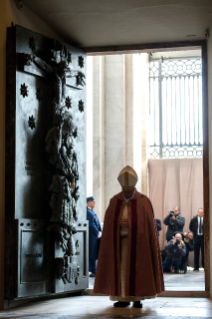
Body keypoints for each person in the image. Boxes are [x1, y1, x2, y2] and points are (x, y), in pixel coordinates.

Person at [93, 165, 164, 308]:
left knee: (139, 269)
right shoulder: (114, 201)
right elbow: (107, 226)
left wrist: (131, 225)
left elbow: (147, 227)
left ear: (133, 188)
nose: (126, 193)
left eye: (129, 191)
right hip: (119, 245)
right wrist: (118, 224)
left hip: (139, 245)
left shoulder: (143, 201)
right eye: (124, 191)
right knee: (121, 272)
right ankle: (122, 299)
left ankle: (138, 298)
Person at [87, 196, 102, 277]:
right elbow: (91, 225)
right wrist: (97, 233)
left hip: (95, 237)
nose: (95, 203)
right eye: (93, 202)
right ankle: (91, 269)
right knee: (91, 253)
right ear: (89, 203)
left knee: (95, 252)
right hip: (92, 236)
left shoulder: (91, 212)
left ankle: (93, 269)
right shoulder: (88, 212)